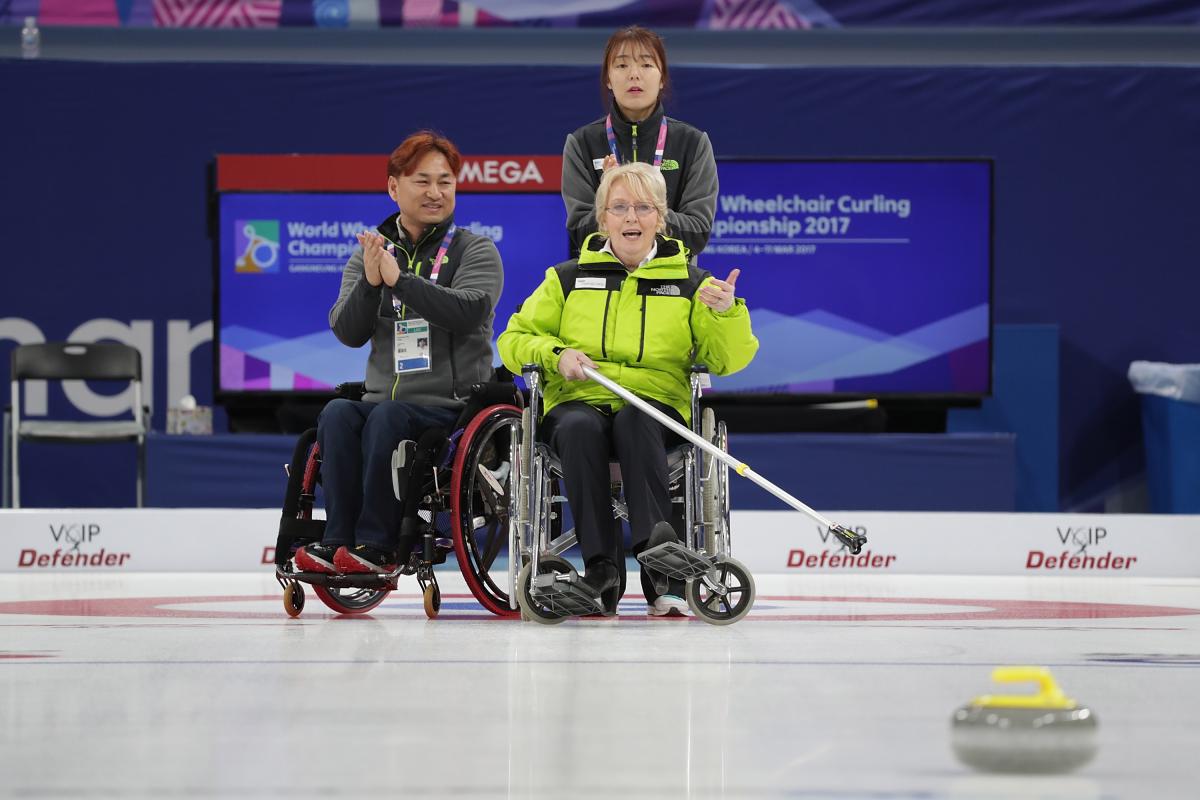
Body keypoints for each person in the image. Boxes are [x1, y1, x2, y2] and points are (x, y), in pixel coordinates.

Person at [498, 162, 757, 616]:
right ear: (603, 219)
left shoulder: (691, 284)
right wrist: (557, 354)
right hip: (579, 399)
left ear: (661, 217)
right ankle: (601, 571)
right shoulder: (566, 278)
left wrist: (726, 314)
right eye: (619, 207)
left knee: (637, 420)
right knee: (579, 427)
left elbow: (727, 361)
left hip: (654, 408)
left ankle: (660, 565)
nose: (631, 218)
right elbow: (513, 340)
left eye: (643, 207)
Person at [295, 131, 504, 575]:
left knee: (389, 417)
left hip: (447, 410)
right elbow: (347, 332)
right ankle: (337, 542)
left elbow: (470, 311)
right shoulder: (370, 252)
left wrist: (402, 281)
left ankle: (377, 545)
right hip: (381, 403)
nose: (435, 193)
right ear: (394, 187)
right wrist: (372, 284)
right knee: (336, 413)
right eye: (422, 181)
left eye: (445, 182)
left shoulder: (474, 249)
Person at [562, 25, 718, 260]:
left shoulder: (693, 142)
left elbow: (697, 232)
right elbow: (580, 232)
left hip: (673, 285)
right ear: (608, 79)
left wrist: (633, 210)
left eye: (646, 64)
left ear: (662, 77)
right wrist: (608, 197)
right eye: (622, 65)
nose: (634, 74)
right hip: (601, 284)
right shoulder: (581, 143)